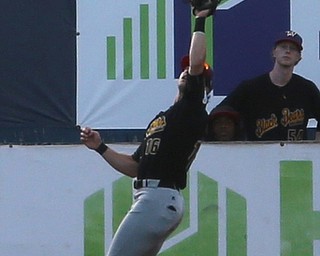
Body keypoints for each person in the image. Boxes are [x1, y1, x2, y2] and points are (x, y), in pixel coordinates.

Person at [80, 1, 219, 255]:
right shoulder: (167, 117)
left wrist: (200, 20)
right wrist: (100, 147)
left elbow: (198, 62)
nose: (188, 71)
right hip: (153, 197)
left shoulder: (193, 108)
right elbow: (135, 167)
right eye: (185, 69)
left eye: (196, 73)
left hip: (159, 198)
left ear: (204, 88)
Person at [217, 30, 320, 141]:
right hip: (258, 154)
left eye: (293, 49)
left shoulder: (306, 88)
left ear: (299, 57)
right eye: (283, 47)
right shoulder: (251, 88)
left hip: (295, 155)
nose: (288, 51)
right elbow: (220, 113)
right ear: (274, 52)